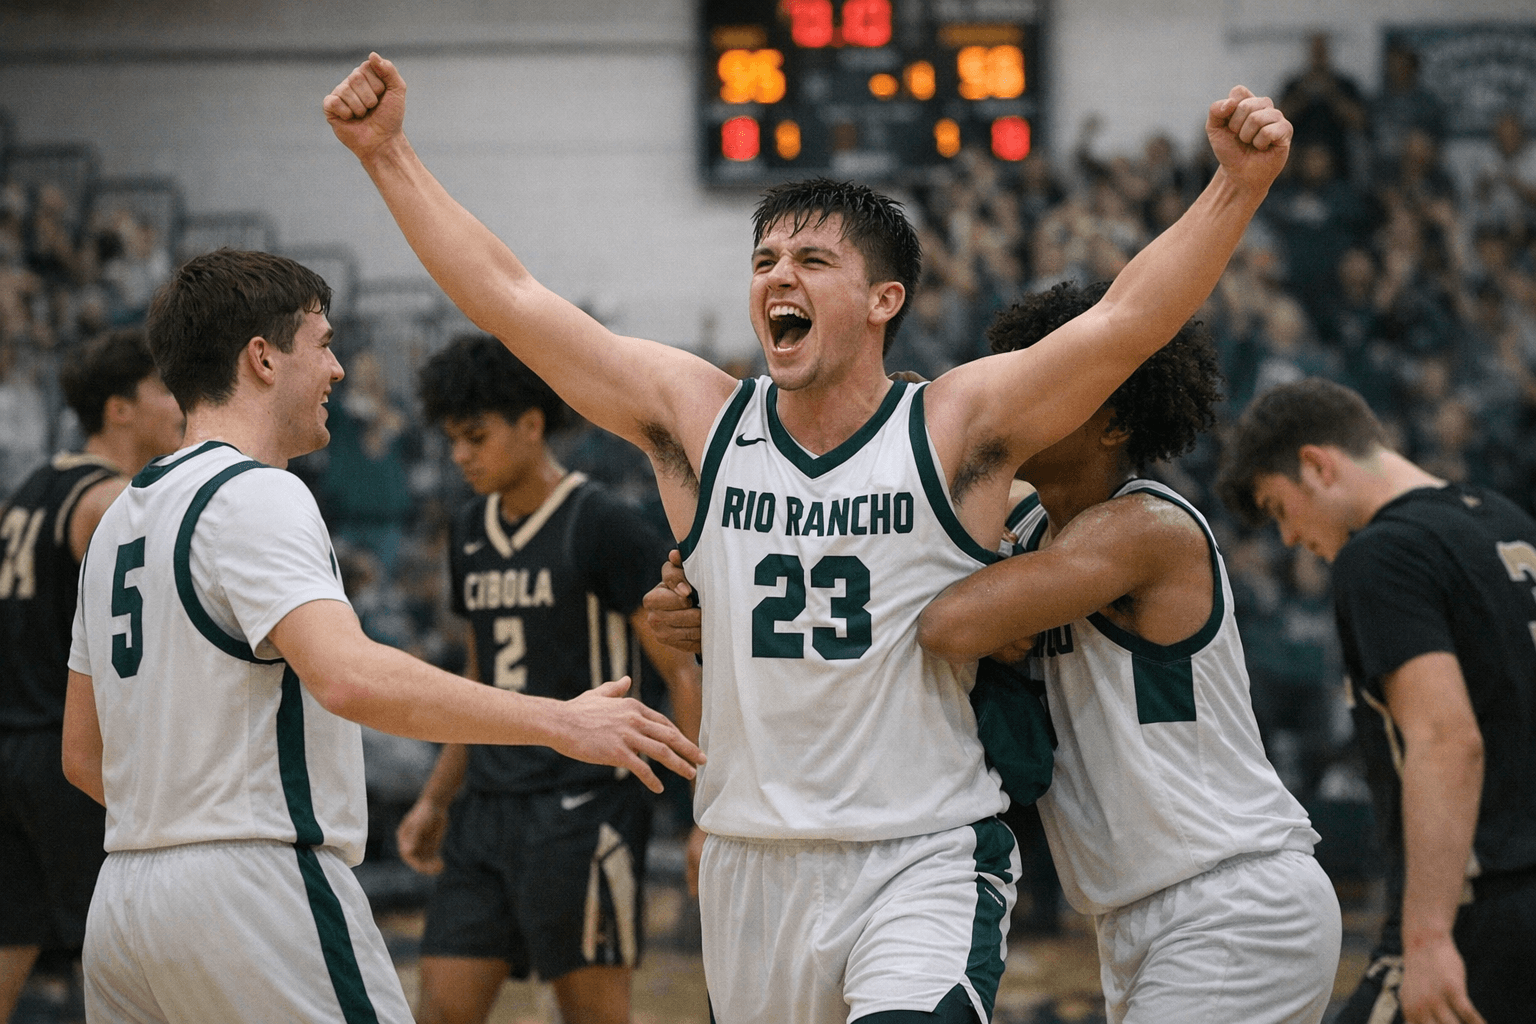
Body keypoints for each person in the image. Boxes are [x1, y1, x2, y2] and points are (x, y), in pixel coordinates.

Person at [326, 53, 1293, 1024]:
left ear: (885, 301)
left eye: (812, 261)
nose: (778, 276)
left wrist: (1235, 187)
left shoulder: (951, 427)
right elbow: (513, 298)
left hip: (920, 852)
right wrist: (389, 154)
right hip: (752, 860)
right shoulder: (701, 423)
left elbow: (1127, 321)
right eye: (763, 261)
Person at [647, 283, 1343, 1024]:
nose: (1022, 400)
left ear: (1111, 422)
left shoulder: (1142, 528)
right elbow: (916, 520)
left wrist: (903, 526)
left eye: (1048, 382)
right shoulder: (1042, 534)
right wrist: (717, 594)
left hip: (1230, 897)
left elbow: (948, 624)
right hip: (1145, 912)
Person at [60, 249, 704, 1024]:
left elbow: (84, 755)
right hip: (252, 888)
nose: (337, 370)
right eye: (323, 343)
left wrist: (179, 823)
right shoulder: (258, 494)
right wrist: (560, 720)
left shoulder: (117, 520)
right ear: (262, 358)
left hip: (125, 899)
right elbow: (349, 678)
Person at [395, 333, 704, 1024]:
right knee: (439, 1012)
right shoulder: (469, 529)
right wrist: (438, 798)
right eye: (452, 439)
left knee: (593, 1015)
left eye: (475, 436)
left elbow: (682, 674)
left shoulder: (603, 522)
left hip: (584, 806)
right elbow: (479, 678)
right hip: (486, 809)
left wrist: (706, 811)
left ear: (531, 425)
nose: (460, 455)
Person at [1215, 377, 1536, 1024]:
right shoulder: (1502, 518)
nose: (1287, 538)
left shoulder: (1381, 554)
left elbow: (1446, 739)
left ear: (1317, 465)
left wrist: (1427, 938)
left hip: (1479, 902)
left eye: (1280, 508)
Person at [0, 329, 184, 1021]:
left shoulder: (29, 489)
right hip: (67, 753)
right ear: (120, 409)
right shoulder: (113, 501)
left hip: (11, 743)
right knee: (125, 949)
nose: (180, 406)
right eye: (163, 390)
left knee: (9, 941)